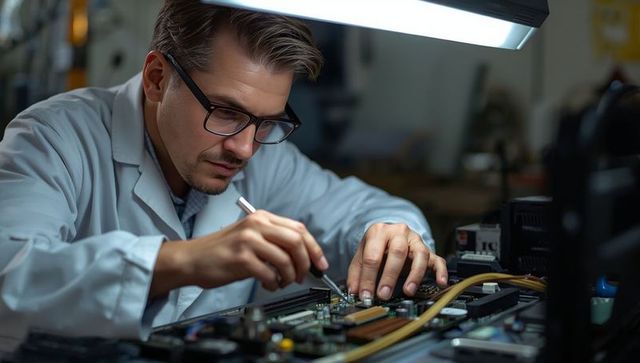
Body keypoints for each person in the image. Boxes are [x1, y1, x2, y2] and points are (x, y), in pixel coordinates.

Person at [0, 0, 447, 341]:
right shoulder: (55, 137)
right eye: (225, 111)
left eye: (267, 121)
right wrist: (186, 261)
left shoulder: (266, 157)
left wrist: (391, 234)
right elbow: (11, 277)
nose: (245, 148)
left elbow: (369, 208)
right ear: (157, 78)